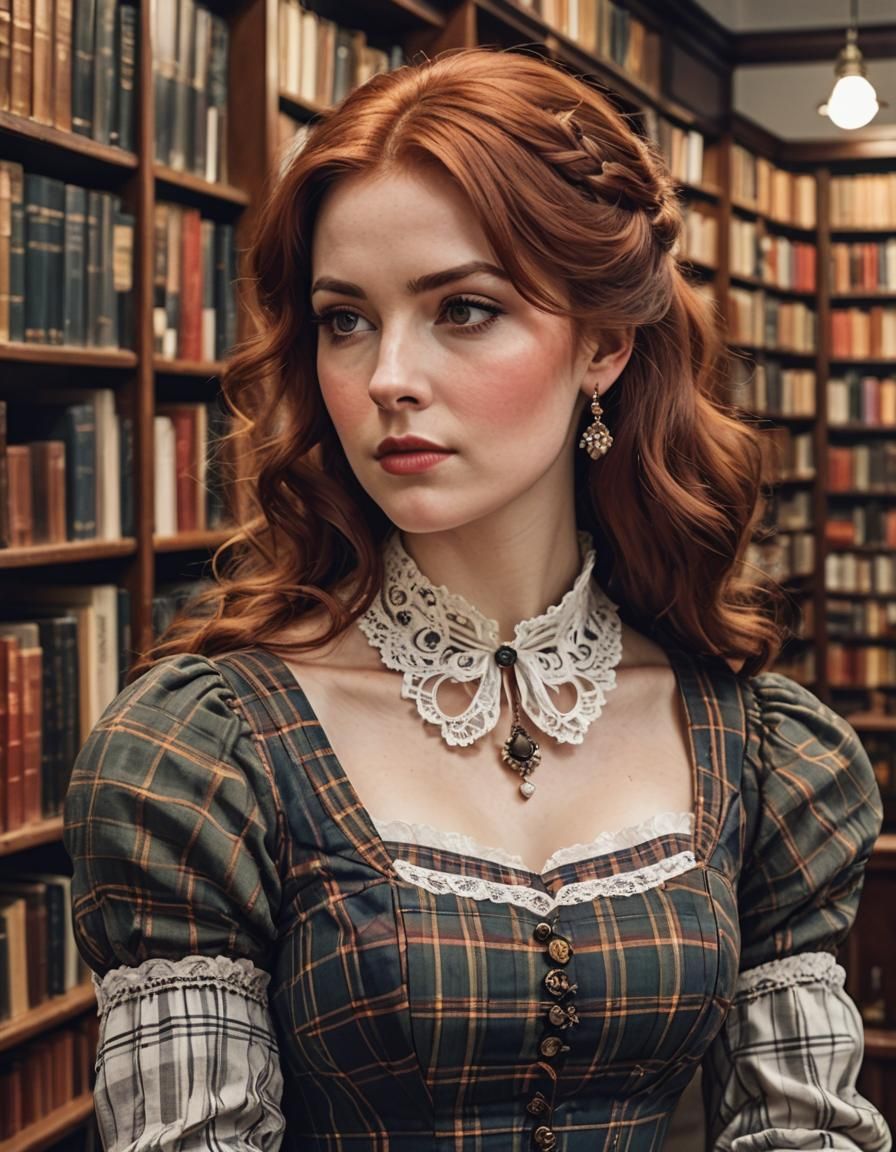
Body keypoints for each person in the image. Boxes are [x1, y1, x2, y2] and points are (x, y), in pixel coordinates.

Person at [63, 48, 891, 1152]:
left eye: (461, 308)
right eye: (345, 320)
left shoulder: (762, 750)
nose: (386, 375)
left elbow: (802, 1136)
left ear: (601, 343)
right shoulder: (203, 755)